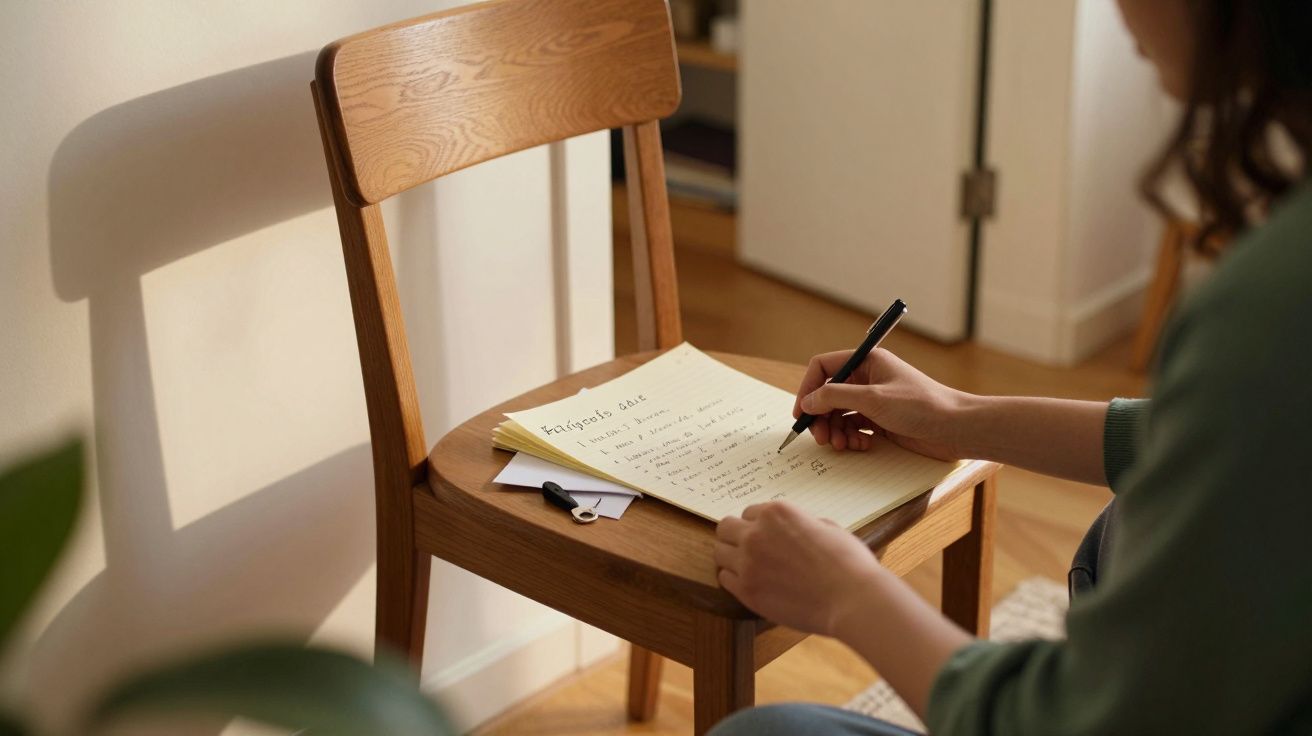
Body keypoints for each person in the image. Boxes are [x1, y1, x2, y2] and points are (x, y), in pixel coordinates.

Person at [709, 1, 1312, 733]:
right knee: (1123, 527)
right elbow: (1225, 443)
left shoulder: (1271, 303)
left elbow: (1075, 719)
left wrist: (847, 594)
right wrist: (957, 417)